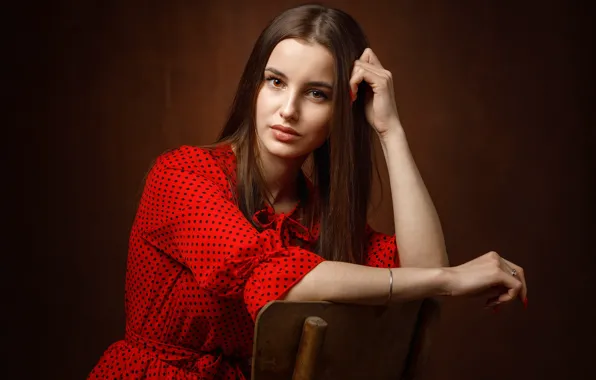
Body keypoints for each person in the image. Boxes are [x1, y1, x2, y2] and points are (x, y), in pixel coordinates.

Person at [89, 4, 528, 379]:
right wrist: (451, 279)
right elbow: (272, 276)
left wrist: (389, 130)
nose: (288, 110)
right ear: (254, 87)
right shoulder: (183, 175)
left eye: (317, 94)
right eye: (275, 82)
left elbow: (424, 272)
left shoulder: (319, 217)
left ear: (342, 112)